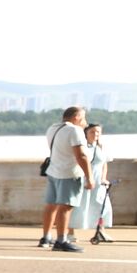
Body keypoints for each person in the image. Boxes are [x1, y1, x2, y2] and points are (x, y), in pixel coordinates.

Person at [38, 106, 92, 252]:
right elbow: (81, 155)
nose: (85, 123)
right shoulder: (74, 131)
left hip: (53, 171)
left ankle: (46, 237)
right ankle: (61, 240)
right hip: (69, 173)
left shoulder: (53, 128)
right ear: (76, 118)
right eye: (83, 118)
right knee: (66, 207)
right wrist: (89, 176)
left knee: (51, 205)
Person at [70, 122, 112, 237]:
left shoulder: (101, 147)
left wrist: (104, 178)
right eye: (92, 132)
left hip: (98, 180)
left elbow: (104, 164)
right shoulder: (82, 146)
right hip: (84, 179)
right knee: (78, 206)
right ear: (86, 133)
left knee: (102, 206)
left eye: (98, 132)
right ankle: (70, 232)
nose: (95, 134)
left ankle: (100, 231)